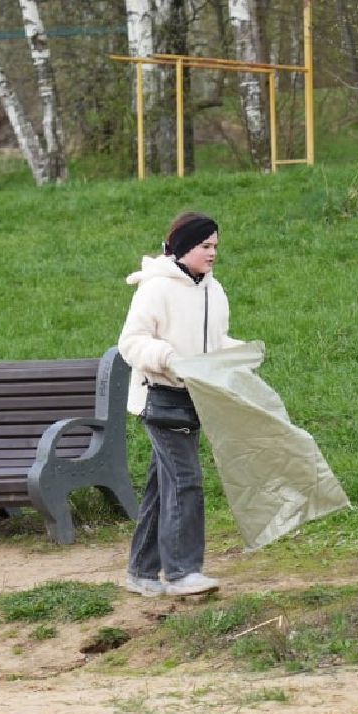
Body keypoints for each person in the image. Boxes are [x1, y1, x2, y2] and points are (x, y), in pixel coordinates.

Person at [116, 212, 242, 598]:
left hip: (195, 399)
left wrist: (240, 356)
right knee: (186, 482)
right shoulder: (155, 290)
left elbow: (215, 342)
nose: (212, 253)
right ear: (184, 247)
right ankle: (184, 571)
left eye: (216, 246)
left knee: (161, 485)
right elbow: (131, 343)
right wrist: (169, 359)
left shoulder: (213, 290)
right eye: (205, 246)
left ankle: (141, 571)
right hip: (161, 399)